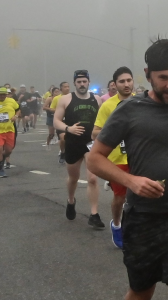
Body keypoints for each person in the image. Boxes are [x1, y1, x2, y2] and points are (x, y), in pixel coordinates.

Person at [87, 38, 168, 300]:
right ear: (148, 75)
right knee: (141, 293)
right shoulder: (129, 110)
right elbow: (95, 159)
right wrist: (131, 181)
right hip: (143, 219)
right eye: (163, 78)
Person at [53, 70, 104, 229]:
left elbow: (103, 120)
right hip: (73, 143)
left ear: (89, 82)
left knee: (93, 179)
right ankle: (70, 200)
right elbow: (56, 121)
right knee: (73, 178)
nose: (82, 84)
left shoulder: (97, 99)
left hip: (91, 144)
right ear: (75, 83)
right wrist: (68, 129)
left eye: (84, 81)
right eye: (79, 82)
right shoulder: (65, 99)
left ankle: (94, 214)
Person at [92, 66, 135, 248]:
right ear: (115, 85)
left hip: (139, 157)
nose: (126, 84)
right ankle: (116, 224)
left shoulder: (142, 102)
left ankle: (136, 229)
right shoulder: (108, 106)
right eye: (122, 81)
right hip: (117, 160)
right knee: (120, 197)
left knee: (141, 195)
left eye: (129, 80)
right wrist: (115, 135)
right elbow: (95, 132)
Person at [0, 87, 20, 177]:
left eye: (4, 94)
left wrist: (15, 117)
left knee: (9, 150)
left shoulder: (11, 101)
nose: (2, 96)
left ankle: (2, 159)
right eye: (0, 94)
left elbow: (18, 109)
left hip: (9, 129)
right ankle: (0, 170)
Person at [51, 82, 71, 164]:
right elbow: (52, 108)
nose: (67, 88)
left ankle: (70, 153)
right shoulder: (57, 98)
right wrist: (60, 111)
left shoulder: (72, 97)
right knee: (63, 138)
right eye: (65, 87)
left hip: (71, 121)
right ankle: (62, 152)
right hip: (60, 121)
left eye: (68, 86)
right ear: (61, 89)